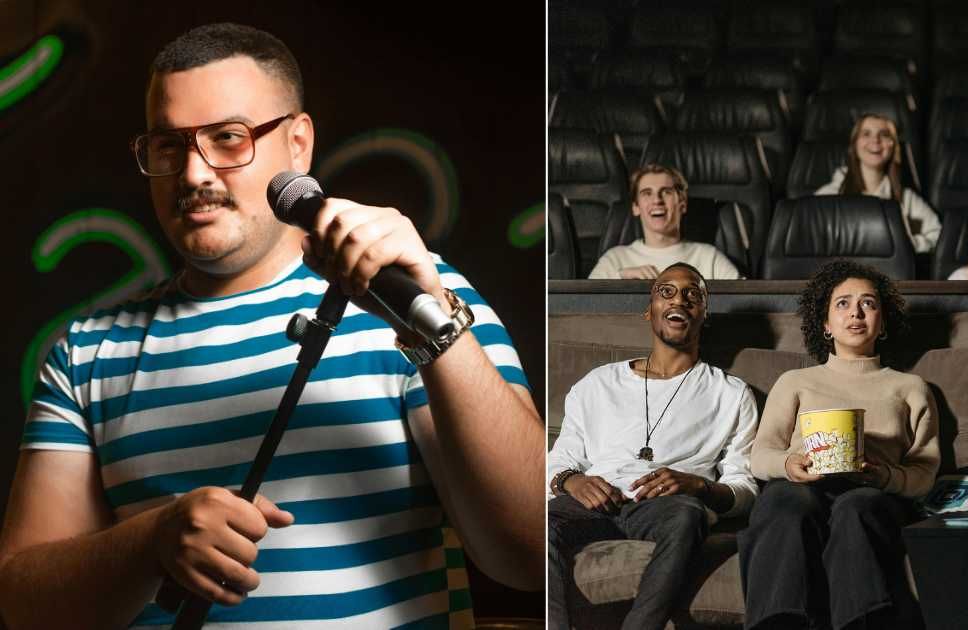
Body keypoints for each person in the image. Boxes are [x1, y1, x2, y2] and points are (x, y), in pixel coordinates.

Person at [0, 23, 543, 628]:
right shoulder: (88, 350)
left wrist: (433, 323)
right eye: (168, 146)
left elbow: (532, 555)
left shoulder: (416, 293)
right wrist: (151, 541)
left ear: (298, 144)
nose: (194, 175)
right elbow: (23, 604)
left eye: (228, 139)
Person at [547, 262, 758, 629]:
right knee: (535, 522)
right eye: (667, 291)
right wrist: (571, 481)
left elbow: (746, 489)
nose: (680, 299)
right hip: (595, 498)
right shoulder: (597, 384)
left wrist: (698, 486)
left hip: (667, 506)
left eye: (693, 294)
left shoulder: (731, 394)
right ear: (650, 310)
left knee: (687, 516)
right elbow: (560, 459)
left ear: (703, 314)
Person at [739, 260, 939, 630]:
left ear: (883, 322)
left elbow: (924, 473)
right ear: (826, 325)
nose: (856, 313)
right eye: (843, 303)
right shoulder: (795, 381)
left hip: (873, 494)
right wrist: (789, 466)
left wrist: (883, 477)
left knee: (856, 506)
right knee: (787, 499)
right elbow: (761, 454)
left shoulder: (910, 387)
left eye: (869, 303)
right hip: (802, 486)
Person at [588, 164, 743, 280]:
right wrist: (620, 279)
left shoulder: (709, 257)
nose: (657, 200)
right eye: (647, 193)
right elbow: (582, 309)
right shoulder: (615, 259)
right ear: (636, 207)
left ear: (682, 204)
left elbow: (746, 306)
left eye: (666, 192)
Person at [815, 113, 941, 254]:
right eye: (866, 134)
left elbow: (937, 235)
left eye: (884, 134)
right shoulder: (829, 195)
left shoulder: (906, 197)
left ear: (893, 146)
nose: (875, 140)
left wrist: (908, 244)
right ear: (855, 144)